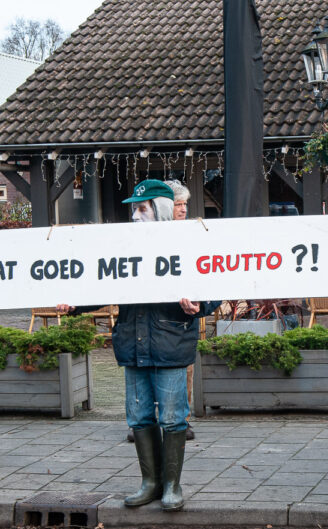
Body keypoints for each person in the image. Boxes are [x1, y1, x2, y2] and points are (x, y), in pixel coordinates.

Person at [58, 179, 218, 511]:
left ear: (158, 210)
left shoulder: (189, 243)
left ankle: (172, 485)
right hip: (134, 344)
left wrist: (199, 304)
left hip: (170, 343)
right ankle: (151, 482)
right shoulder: (124, 247)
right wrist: (75, 303)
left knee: (173, 418)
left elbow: (215, 282)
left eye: (141, 209)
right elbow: (103, 283)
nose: (134, 215)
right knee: (139, 416)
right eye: (133, 208)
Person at [164, 179, 196, 441]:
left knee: (185, 371)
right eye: (178, 205)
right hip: (157, 315)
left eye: (185, 204)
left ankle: (183, 420)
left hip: (184, 316)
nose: (183, 209)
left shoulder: (194, 236)